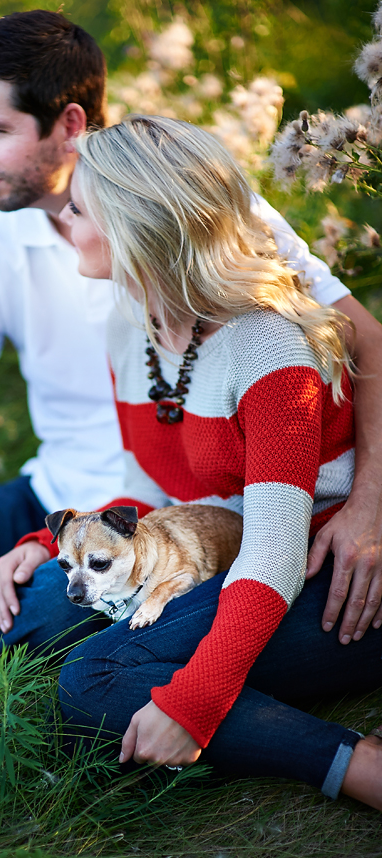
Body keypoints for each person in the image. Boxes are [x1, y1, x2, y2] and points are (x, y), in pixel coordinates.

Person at [0, 11, 382, 682]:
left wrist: (366, 506)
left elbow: (364, 346)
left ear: (68, 125)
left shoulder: (196, 212)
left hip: (151, 539)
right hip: (50, 502)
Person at [52, 115, 382, 811]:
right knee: (55, 611)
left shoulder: (266, 346)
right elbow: (153, 491)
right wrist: (51, 539)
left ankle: (356, 769)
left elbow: (273, 557)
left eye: (78, 206)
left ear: (134, 225)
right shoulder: (129, 324)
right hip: (232, 556)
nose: (63, 215)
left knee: (93, 679)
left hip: (332, 577)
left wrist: (195, 703)